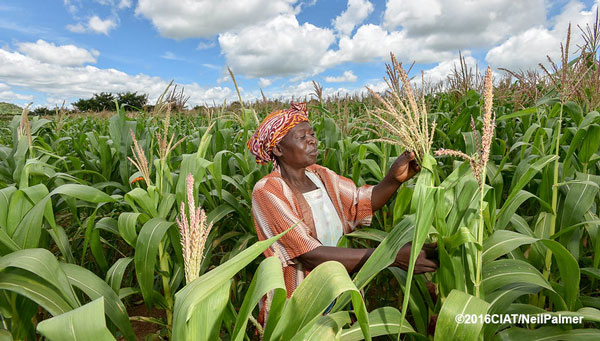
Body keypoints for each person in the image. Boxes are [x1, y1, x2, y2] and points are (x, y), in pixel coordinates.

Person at [248, 102, 437, 302]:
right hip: (301, 302)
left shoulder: (321, 175)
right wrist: (390, 256)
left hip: (341, 289)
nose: (312, 141)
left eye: (312, 134)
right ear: (278, 149)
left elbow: (358, 204)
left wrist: (393, 179)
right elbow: (309, 254)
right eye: (302, 137)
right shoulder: (268, 191)